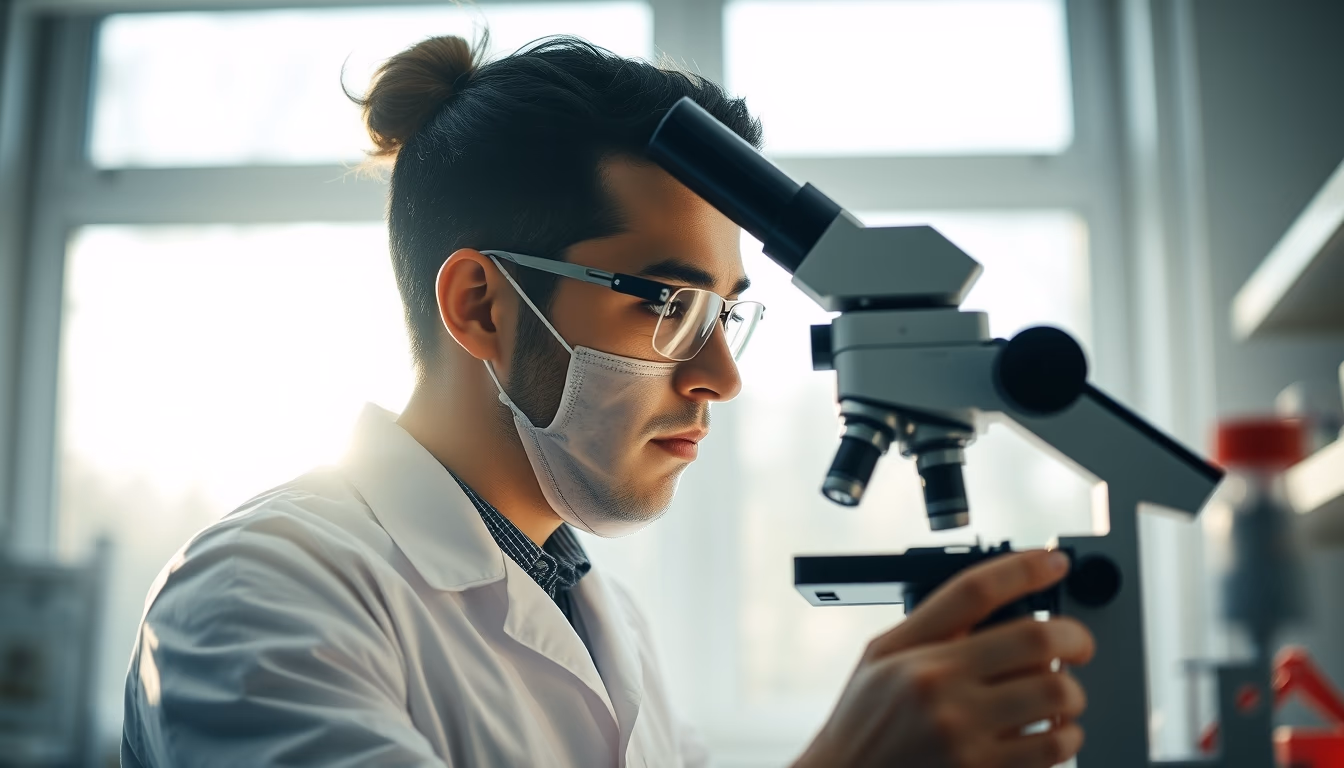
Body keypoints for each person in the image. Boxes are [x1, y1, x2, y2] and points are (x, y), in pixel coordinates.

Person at [121, 34, 1095, 768]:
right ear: (481, 305)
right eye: (670, 304)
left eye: (727, 314)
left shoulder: (601, 616)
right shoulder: (258, 596)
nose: (723, 374)